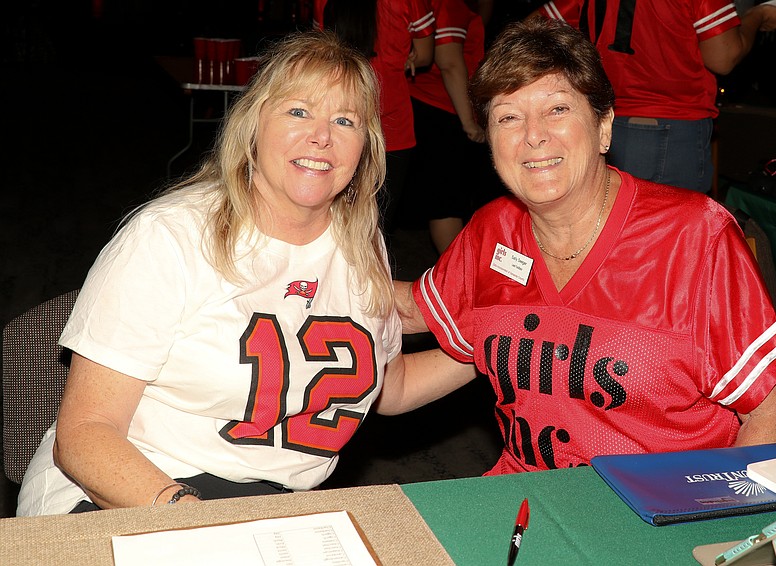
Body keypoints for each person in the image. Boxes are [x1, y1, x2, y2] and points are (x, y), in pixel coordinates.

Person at [380, 20, 776, 476]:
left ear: (604, 127)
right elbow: (408, 310)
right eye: (508, 116)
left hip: (661, 511)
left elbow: (772, 413)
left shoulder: (695, 234)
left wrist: (708, 511)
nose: (533, 135)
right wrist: (300, 268)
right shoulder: (492, 230)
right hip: (524, 496)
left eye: (557, 109)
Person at [18, 30, 402, 516]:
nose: (321, 135)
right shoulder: (168, 236)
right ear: (253, 125)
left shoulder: (361, 244)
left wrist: (490, 336)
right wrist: (198, 522)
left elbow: (394, 384)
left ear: (365, 145)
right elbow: (84, 436)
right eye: (298, 111)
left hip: (259, 503)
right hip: (129, 486)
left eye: (344, 119)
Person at [528, 0, 776, 193]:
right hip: (670, 129)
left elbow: (532, 29)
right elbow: (724, 57)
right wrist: (757, 16)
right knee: (672, 247)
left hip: (602, 127)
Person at [315, 0, 436, 233]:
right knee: (378, 226)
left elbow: (321, 50)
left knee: (334, 218)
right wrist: (403, 58)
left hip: (340, 116)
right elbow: (424, 55)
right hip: (392, 123)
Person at [406, 0, 496, 253]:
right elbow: (449, 61)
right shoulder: (450, 4)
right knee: (445, 203)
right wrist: (470, 122)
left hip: (429, 105)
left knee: (445, 200)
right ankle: (459, 279)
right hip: (441, 109)